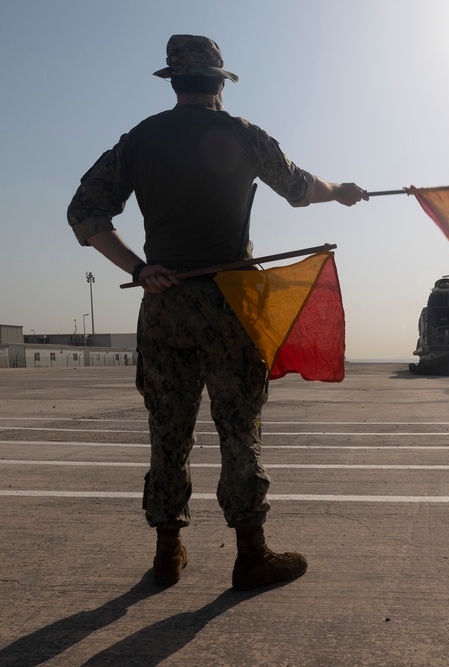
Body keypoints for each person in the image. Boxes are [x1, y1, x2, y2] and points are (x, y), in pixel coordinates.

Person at [67, 34, 368, 590]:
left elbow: (84, 212)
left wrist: (137, 269)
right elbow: (302, 190)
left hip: (164, 304)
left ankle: (167, 552)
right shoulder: (242, 135)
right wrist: (342, 190)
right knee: (238, 428)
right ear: (219, 85)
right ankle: (250, 555)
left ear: (174, 82)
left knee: (167, 430)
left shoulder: (139, 140)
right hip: (231, 302)